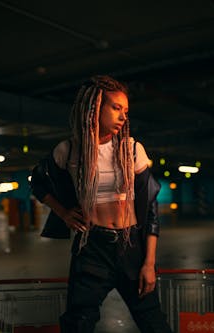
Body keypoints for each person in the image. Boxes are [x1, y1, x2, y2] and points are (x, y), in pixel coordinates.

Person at [31, 75, 172, 333]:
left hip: (131, 247)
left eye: (126, 111)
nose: (123, 117)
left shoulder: (131, 150)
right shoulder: (68, 151)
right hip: (91, 247)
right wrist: (63, 213)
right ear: (95, 107)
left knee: (154, 323)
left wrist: (149, 263)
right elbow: (37, 182)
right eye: (116, 108)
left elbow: (150, 209)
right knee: (78, 323)